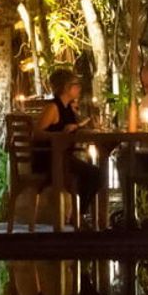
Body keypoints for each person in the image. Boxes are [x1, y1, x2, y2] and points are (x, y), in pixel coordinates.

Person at [35, 67, 102, 218]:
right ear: (66, 88)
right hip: (49, 159)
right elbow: (37, 134)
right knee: (95, 175)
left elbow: (73, 129)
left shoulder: (68, 108)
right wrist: (60, 133)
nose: (79, 88)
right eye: (76, 85)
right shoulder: (53, 108)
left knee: (95, 174)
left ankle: (79, 215)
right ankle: (79, 216)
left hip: (63, 157)